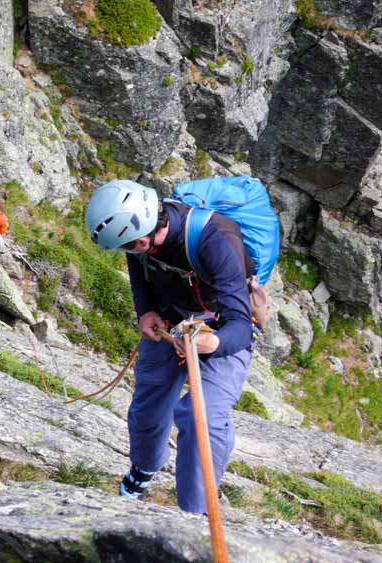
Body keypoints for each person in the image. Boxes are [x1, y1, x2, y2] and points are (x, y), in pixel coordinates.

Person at [85, 179, 254, 516]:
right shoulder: (139, 241)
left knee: (198, 414)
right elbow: (139, 270)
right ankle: (143, 469)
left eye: (134, 244)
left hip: (223, 328)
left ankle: (195, 515)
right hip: (171, 322)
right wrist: (145, 310)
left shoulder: (216, 240)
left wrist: (213, 342)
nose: (131, 251)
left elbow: (242, 326)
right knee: (147, 406)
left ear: (148, 230)